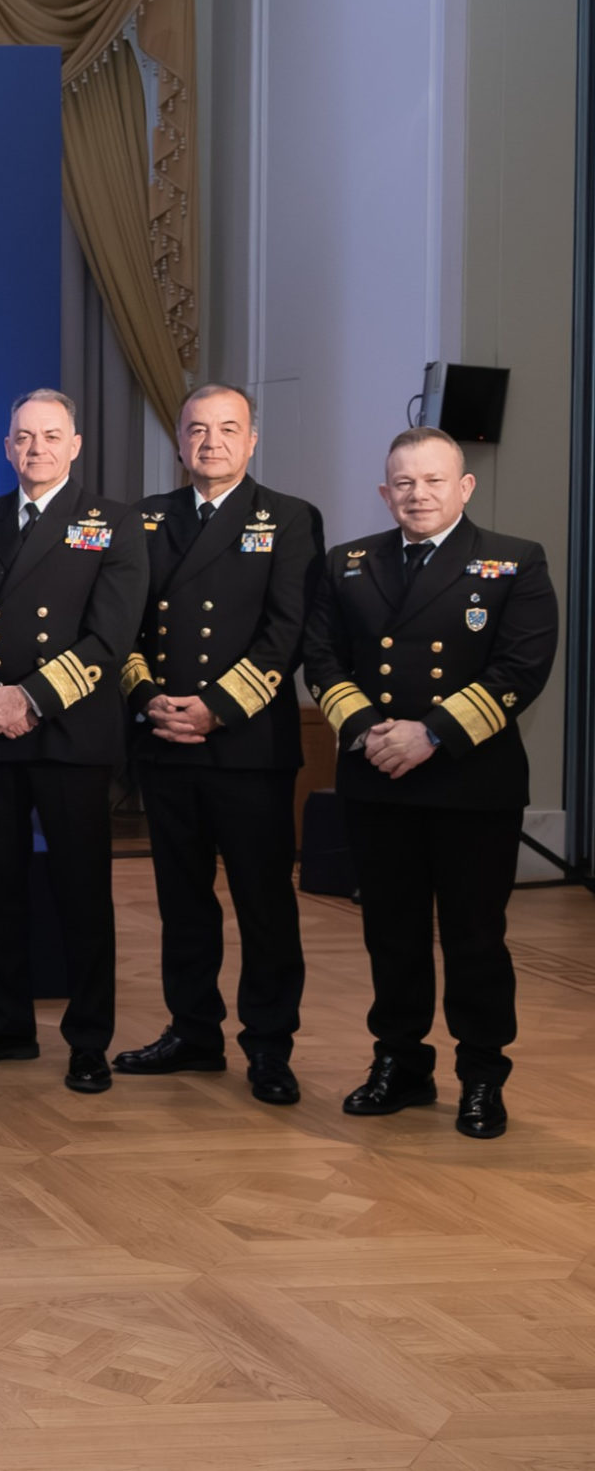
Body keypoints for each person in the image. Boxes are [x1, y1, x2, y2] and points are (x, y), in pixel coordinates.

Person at [301, 426, 556, 1140]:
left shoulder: (514, 560)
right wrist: (368, 731)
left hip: (471, 783)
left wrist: (430, 734)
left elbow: (520, 668)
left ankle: (482, 1075)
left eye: (434, 480)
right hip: (378, 776)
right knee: (392, 933)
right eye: (404, 483)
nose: (418, 494)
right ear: (385, 493)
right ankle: (401, 1064)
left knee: (475, 936)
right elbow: (321, 657)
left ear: (464, 486)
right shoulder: (348, 562)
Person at [0, 388, 144, 1094]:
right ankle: (6, 1023)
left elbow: (111, 636)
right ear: (7, 446)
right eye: (24, 436)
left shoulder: (114, 523)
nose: (37, 448)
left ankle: (88, 1040)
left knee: (80, 892)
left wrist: (27, 699)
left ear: (75, 445)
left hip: (69, 734)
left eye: (52, 436)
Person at [118, 384, 323, 1105]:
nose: (212, 442)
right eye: (198, 430)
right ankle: (193, 1031)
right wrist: (147, 698)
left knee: (264, 904)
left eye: (228, 428)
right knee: (182, 902)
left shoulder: (289, 518)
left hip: (247, 745)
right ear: (179, 442)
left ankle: (268, 1045)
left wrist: (216, 709)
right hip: (165, 737)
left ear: (252, 440)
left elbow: (287, 631)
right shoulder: (145, 518)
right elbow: (123, 624)